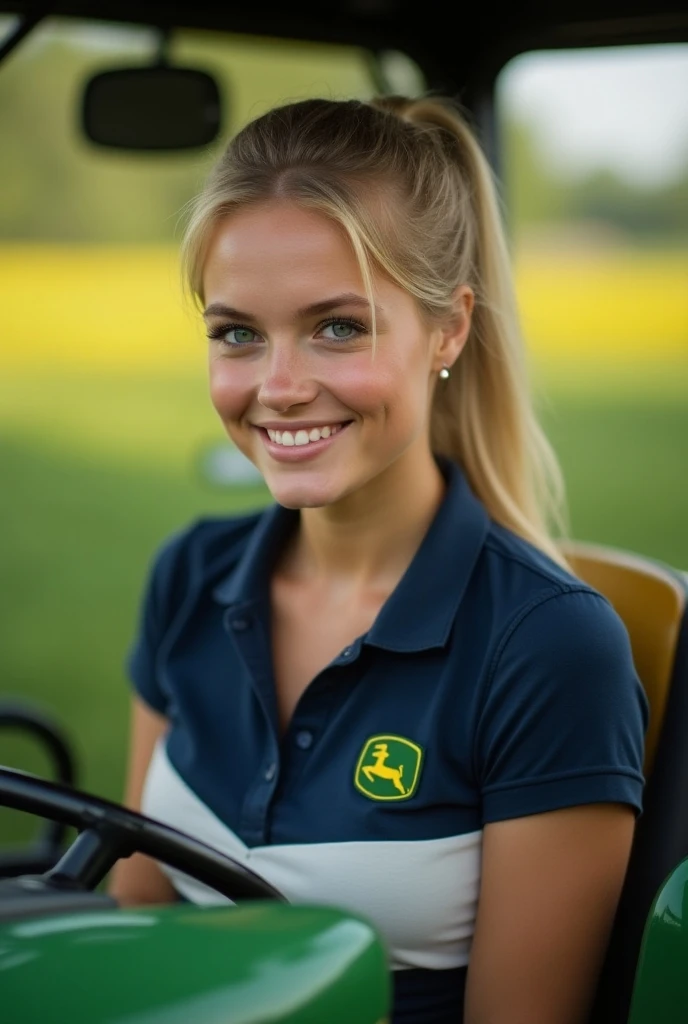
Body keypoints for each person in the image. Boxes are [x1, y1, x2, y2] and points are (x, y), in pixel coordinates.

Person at [109, 95, 648, 1024]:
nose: (278, 388)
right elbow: (135, 932)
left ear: (448, 329)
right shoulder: (188, 576)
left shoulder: (550, 649)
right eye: (237, 332)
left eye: (338, 327)